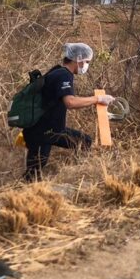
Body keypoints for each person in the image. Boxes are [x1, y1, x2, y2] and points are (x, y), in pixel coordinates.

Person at [23, 43, 115, 181]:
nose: (86, 66)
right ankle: (21, 197)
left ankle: (80, 175)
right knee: (33, 174)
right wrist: (98, 99)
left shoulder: (57, 71)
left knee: (84, 141)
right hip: (43, 132)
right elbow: (70, 102)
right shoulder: (63, 75)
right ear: (78, 58)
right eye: (87, 62)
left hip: (48, 130)